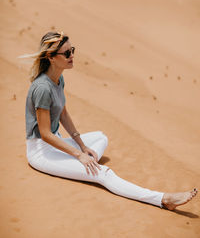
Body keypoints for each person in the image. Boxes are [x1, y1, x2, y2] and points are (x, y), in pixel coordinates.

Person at [25, 31, 197, 210]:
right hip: (41, 152)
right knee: (104, 174)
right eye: (67, 53)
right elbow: (45, 134)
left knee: (101, 137)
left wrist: (82, 147)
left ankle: (82, 167)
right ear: (51, 57)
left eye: (72, 50)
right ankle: (163, 199)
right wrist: (78, 155)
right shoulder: (43, 88)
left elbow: (63, 114)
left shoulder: (58, 79)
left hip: (57, 143)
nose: (72, 56)